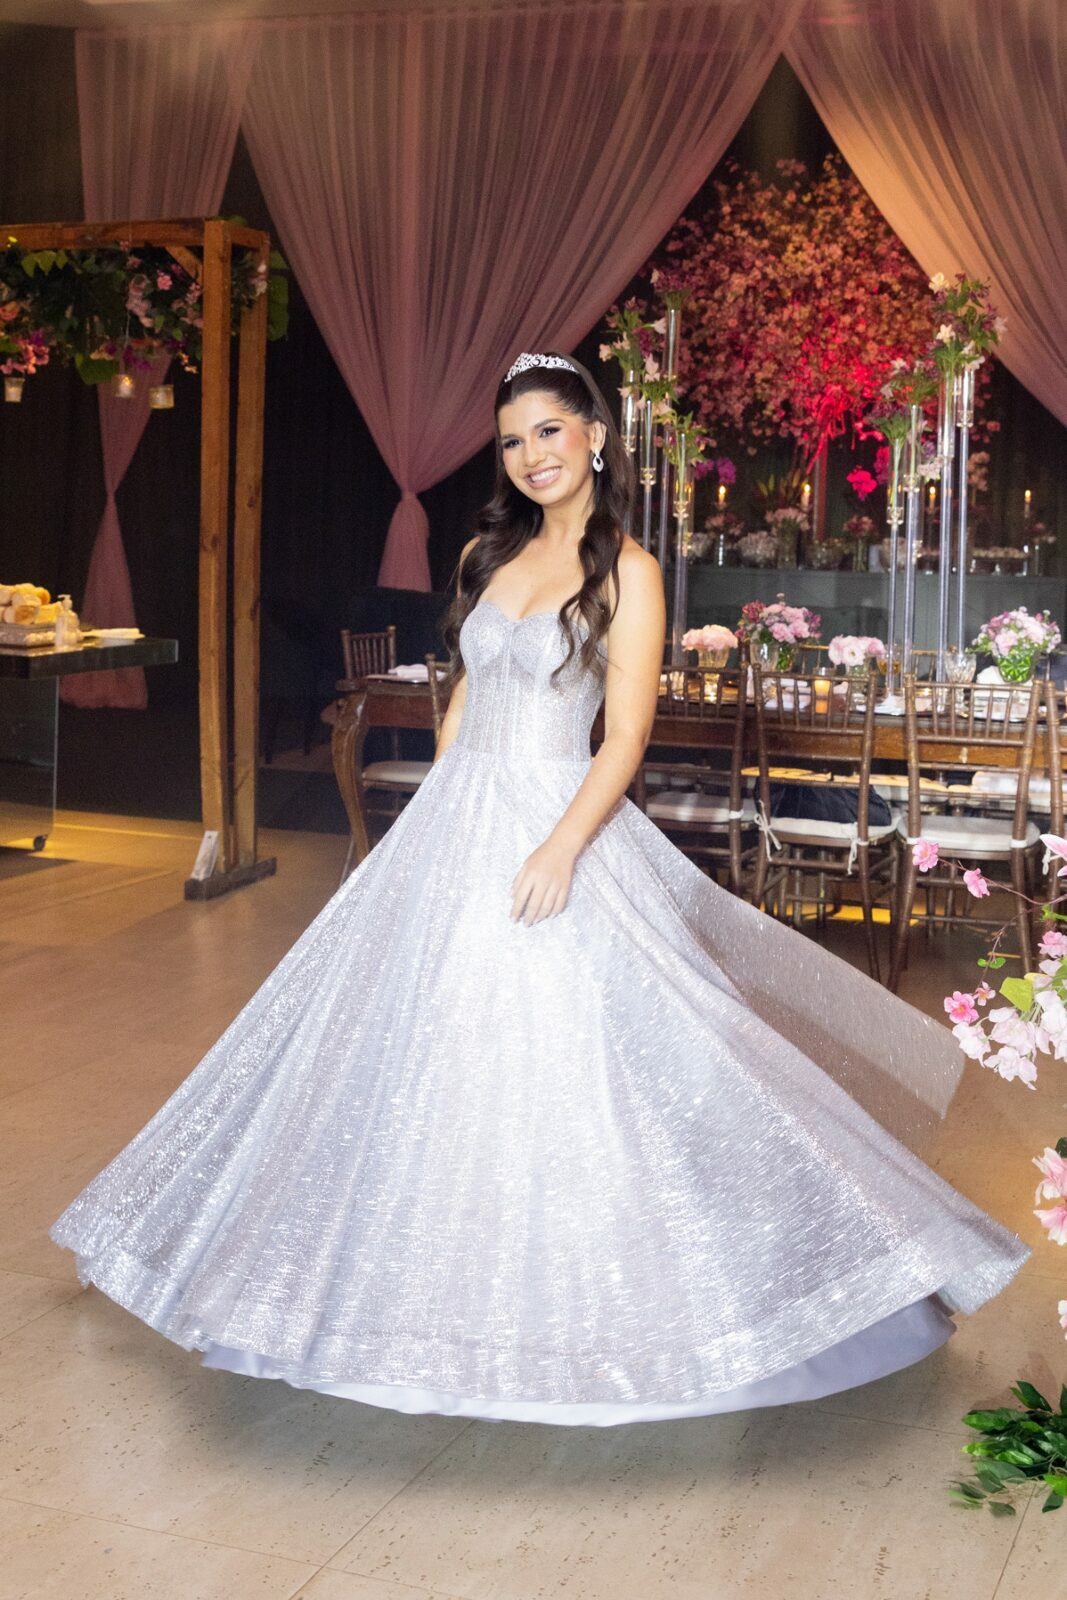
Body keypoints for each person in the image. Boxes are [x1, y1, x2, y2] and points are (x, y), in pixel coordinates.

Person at [50, 351, 1029, 1427]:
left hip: (559, 811)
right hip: (458, 816)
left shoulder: (629, 571)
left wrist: (562, 846)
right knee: (377, 1040)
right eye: (512, 441)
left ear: (595, 436)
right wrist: (429, 811)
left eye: (548, 432)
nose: (530, 456)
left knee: (619, 1048)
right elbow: (467, 693)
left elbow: (627, 737)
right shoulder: (488, 551)